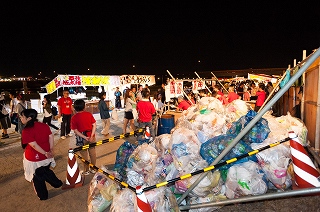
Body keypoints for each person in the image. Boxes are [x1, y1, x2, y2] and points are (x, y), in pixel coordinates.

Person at [21, 109, 62, 200]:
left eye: (22, 117)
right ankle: (56, 183)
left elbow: (34, 145)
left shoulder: (26, 130)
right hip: (47, 157)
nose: (21, 118)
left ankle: (43, 196)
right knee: (45, 170)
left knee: (37, 178)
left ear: (29, 118)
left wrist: (46, 153)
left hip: (34, 158)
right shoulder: (44, 125)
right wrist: (50, 150)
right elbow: (51, 136)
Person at [71, 99, 97, 175]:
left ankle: (86, 170)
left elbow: (75, 130)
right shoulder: (88, 114)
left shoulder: (74, 118)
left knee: (84, 155)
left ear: (75, 108)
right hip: (91, 136)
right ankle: (93, 169)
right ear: (84, 107)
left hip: (81, 138)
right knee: (92, 153)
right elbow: (94, 125)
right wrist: (91, 135)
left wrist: (84, 137)